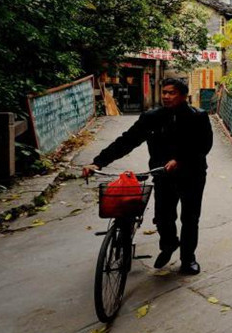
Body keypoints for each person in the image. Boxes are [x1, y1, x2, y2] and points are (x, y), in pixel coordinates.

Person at [82, 78, 213, 275]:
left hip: (192, 175)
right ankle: (168, 245)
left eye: (172, 93)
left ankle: (188, 259)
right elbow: (127, 140)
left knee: (190, 218)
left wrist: (180, 160)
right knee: (162, 217)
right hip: (162, 175)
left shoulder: (198, 117)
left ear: (184, 96)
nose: (166, 97)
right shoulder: (152, 117)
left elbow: (204, 145)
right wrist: (98, 161)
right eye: (164, 93)